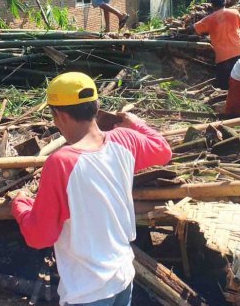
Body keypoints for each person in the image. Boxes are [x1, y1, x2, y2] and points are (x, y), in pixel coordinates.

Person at [12, 72, 171, 306]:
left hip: (88, 291)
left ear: (59, 115)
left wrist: (20, 205)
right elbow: (163, 150)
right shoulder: (125, 140)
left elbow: (40, 236)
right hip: (122, 275)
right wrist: (137, 123)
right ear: (96, 107)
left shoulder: (62, 162)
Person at [191, 0, 240, 90]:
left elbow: (194, 29)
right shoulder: (235, 12)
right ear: (225, 3)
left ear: (212, 5)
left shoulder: (209, 19)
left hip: (223, 57)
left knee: (224, 87)